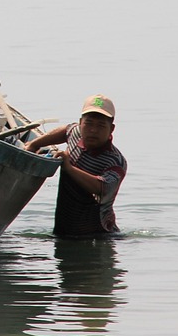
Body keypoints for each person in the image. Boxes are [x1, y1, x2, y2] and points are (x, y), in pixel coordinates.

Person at [25, 94, 127, 237]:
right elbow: (67, 130)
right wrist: (34, 144)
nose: (93, 130)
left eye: (101, 126)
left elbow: (103, 188)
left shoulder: (115, 161)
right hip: (65, 230)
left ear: (112, 129)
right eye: (89, 123)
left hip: (97, 236)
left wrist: (69, 168)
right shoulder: (77, 133)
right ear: (80, 123)